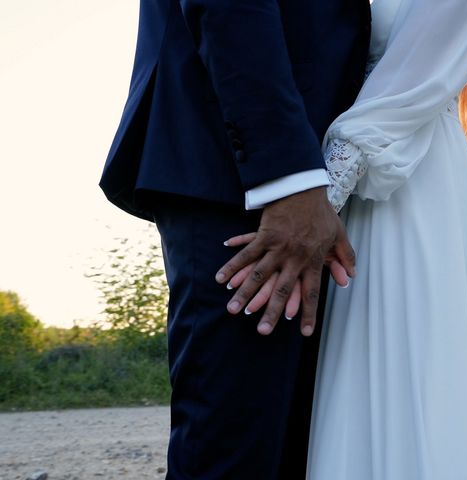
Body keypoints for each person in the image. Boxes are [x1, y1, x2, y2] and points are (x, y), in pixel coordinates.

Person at [223, 0, 467, 477]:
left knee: (420, 376)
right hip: (350, 184)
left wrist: (312, 208)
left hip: (411, 186)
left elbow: (407, 85)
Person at [98, 0, 371, 478]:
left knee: (289, 450)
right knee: (235, 453)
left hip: (308, 178)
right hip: (240, 169)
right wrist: (289, 178)